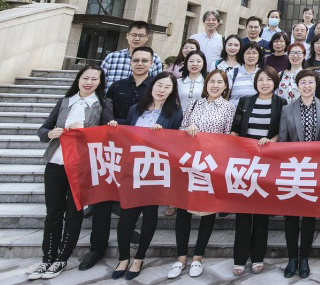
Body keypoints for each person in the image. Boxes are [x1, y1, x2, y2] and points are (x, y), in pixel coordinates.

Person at [29, 65, 112, 280]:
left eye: (94, 79)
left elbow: (107, 136)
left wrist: (87, 131)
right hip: (56, 163)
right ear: (78, 79)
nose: (89, 82)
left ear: (100, 82)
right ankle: (47, 257)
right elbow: (43, 129)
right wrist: (50, 133)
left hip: (82, 166)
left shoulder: (103, 104)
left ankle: (62, 258)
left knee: (74, 213)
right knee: (53, 213)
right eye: (86, 78)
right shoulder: (65, 101)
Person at [81, 47, 154, 271]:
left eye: (145, 60)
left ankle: (127, 233)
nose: (140, 63)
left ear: (151, 63)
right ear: (130, 62)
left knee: (130, 197)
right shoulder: (117, 86)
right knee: (103, 197)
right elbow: (106, 113)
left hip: (140, 151)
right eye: (136, 60)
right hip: (112, 148)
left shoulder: (156, 87)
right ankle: (97, 247)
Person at [108, 72, 183, 280]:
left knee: (150, 216)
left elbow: (177, 142)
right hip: (132, 169)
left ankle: (139, 258)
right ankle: (123, 258)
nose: (162, 90)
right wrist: (116, 126)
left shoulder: (175, 112)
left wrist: (162, 135)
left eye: (167, 87)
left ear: (172, 91)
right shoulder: (135, 109)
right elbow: (127, 132)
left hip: (154, 170)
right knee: (126, 217)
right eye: (159, 85)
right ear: (152, 86)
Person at [168, 70, 235, 279]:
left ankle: (198, 256)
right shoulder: (194, 104)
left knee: (208, 212)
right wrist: (187, 130)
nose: (215, 85)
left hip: (211, 165)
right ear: (206, 84)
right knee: (183, 210)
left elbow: (228, 136)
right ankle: (181, 258)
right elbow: (181, 128)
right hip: (190, 162)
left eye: (219, 82)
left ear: (225, 86)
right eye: (211, 81)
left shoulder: (229, 108)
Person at [230, 66, 285, 276]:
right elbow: (235, 129)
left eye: (269, 80)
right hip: (245, 162)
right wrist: (240, 146)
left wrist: (270, 141)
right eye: (261, 79)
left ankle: (258, 257)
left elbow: (282, 130)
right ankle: (239, 258)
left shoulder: (281, 103)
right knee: (243, 212)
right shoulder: (245, 101)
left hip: (267, 163)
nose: (264, 83)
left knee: (261, 212)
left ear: (275, 82)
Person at [278, 69, 320, 279]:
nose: (307, 86)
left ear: (316, 84)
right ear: (297, 86)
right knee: (290, 216)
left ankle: (304, 258)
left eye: (311, 82)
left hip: (315, 170)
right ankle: (292, 258)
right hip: (293, 169)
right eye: (303, 83)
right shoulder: (287, 109)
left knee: (309, 216)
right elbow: (282, 140)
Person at [102, 20, 163, 88]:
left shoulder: (154, 59)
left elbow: (157, 84)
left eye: (141, 36)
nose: (137, 39)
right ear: (127, 36)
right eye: (134, 35)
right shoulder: (112, 57)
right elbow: (101, 81)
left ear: (147, 38)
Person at [229, 43, 263, 108]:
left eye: (254, 53)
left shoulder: (263, 74)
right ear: (242, 55)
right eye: (248, 53)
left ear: (259, 56)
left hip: (256, 112)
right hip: (234, 112)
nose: (251, 56)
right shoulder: (232, 73)